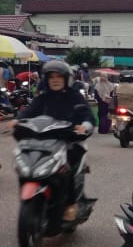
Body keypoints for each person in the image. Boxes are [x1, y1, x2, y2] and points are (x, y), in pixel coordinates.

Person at [16, 60, 96, 222]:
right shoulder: (43, 98)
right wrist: (17, 121)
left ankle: (70, 204)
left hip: (70, 141)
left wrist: (84, 126)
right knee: (24, 163)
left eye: (59, 76)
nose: (55, 80)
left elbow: (87, 116)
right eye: (51, 77)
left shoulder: (75, 97)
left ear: (67, 79)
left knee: (66, 169)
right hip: (43, 141)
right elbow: (28, 113)